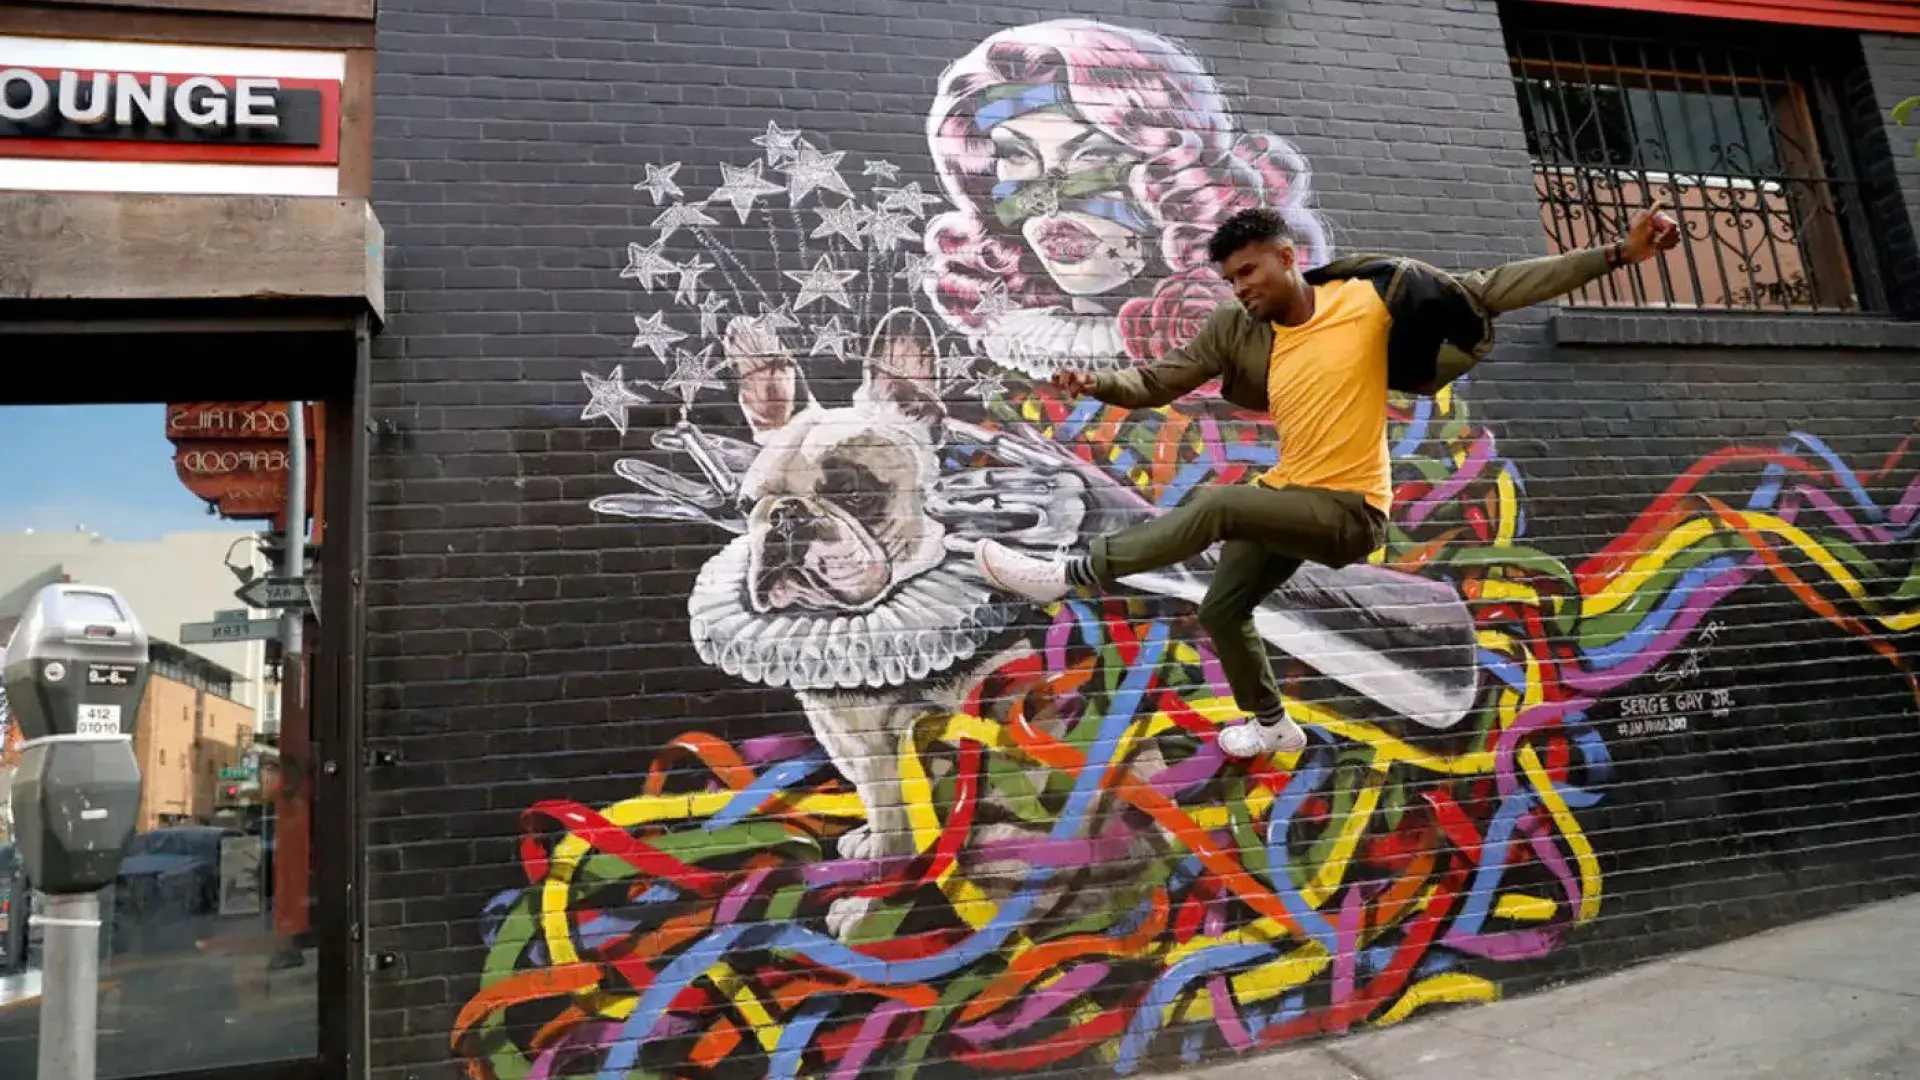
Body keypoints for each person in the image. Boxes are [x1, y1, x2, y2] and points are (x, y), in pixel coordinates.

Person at [976, 203, 1682, 758]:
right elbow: (1159, 381)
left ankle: (1074, 573)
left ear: (1288, 258)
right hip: (1292, 496)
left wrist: (1619, 253)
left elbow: (1492, 290)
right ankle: (1272, 724)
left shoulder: (1368, 298)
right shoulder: (1237, 329)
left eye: (1251, 272)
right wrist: (1096, 384)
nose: (1242, 289)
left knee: (1219, 503)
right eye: (1231, 280)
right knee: (1224, 609)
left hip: (1350, 511)